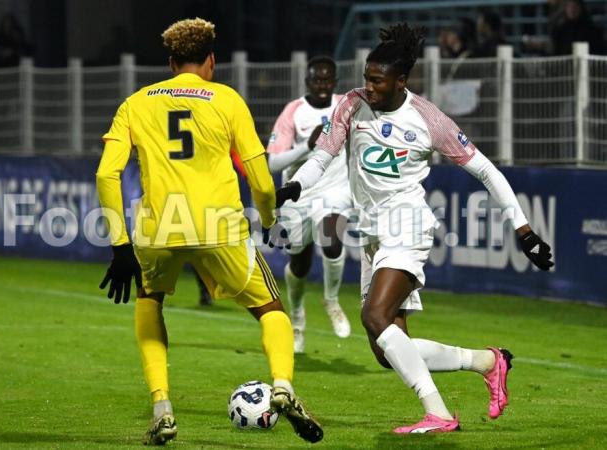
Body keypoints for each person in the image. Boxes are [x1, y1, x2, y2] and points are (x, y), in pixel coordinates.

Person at [276, 23, 554, 433]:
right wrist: (297, 185)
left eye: (377, 80)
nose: (368, 86)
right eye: (366, 77)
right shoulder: (351, 105)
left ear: (401, 80)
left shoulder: (427, 119)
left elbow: (487, 172)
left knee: (375, 316)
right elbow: (323, 155)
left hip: (407, 227)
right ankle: (488, 362)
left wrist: (523, 229)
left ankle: (439, 413)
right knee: (387, 350)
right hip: (371, 234)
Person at [95, 18, 322, 445]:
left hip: (158, 225)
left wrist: (119, 244)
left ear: (171, 62)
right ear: (212, 61)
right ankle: (283, 387)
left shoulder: (136, 102)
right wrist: (269, 220)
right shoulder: (226, 99)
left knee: (150, 301)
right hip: (220, 224)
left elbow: (106, 174)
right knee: (270, 309)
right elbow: (259, 177)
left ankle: (162, 406)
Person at [266, 56, 352, 353]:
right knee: (299, 264)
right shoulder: (294, 111)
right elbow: (274, 161)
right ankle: (298, 316)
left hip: (336, 190)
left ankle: (331, 299)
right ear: (308, 81)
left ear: (335, 81)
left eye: (327, 80)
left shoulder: (346, 106)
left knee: (331, 241)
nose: (322, 85)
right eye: (317, 80)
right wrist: (307, 146)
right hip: (298, 194)